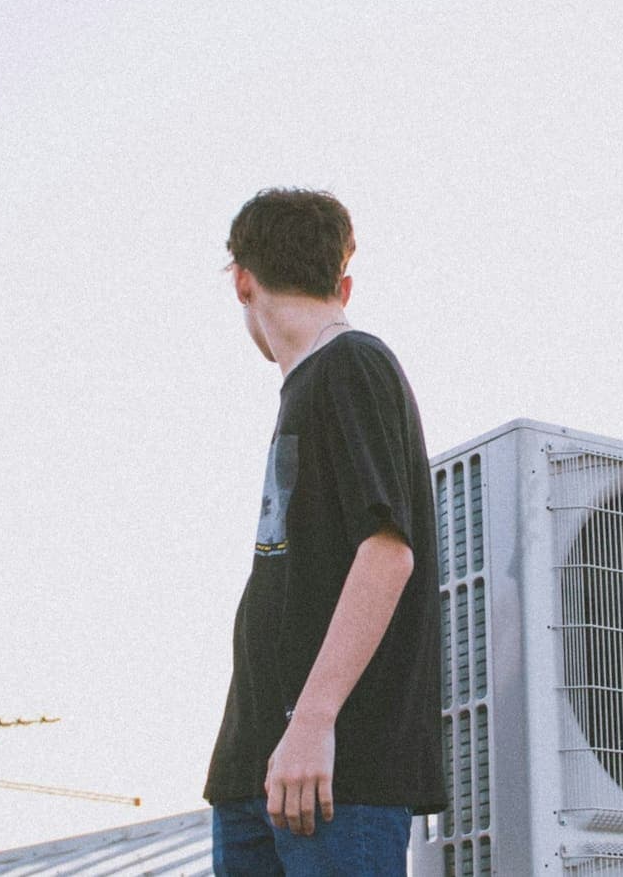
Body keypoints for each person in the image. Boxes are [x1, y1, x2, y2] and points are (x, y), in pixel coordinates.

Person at [204, 188, 445, 876]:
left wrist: (311, 724)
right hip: (257, 771)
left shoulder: (353, 364)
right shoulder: (308, 388)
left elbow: (387, 553)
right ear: (342, 281)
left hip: (334, 775)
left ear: (242, 281)